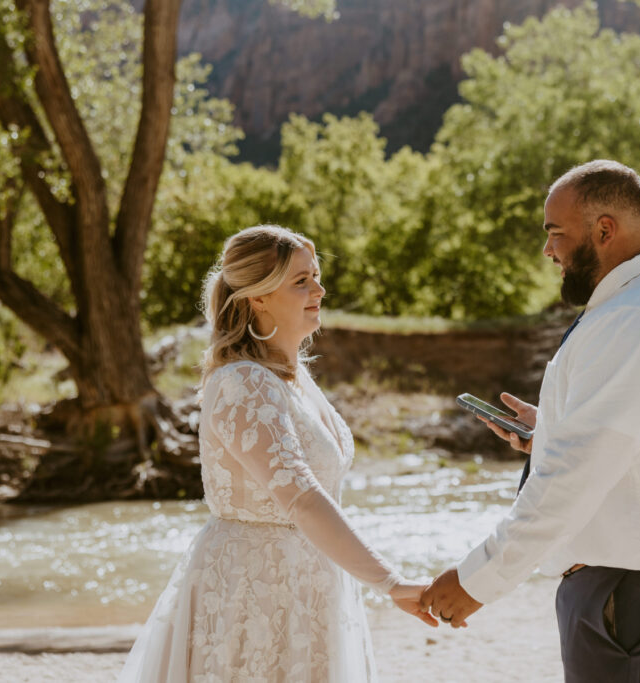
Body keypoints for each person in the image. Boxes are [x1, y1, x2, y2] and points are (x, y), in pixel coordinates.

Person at [420, 160, 640, 682]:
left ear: (604, 229)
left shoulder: (638, 317)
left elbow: (573, 476)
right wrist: (554, 429)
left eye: (556, 233)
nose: (547, 250)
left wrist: (476, 580)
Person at [118, 225, 436, 683]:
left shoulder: (294, 379)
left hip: (312, 583)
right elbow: (303, 498)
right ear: (258, 298)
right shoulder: (243, 382)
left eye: (316, 276)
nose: (319, 290)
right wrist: (390, 581)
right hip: (255, 591)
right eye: (301, 281)